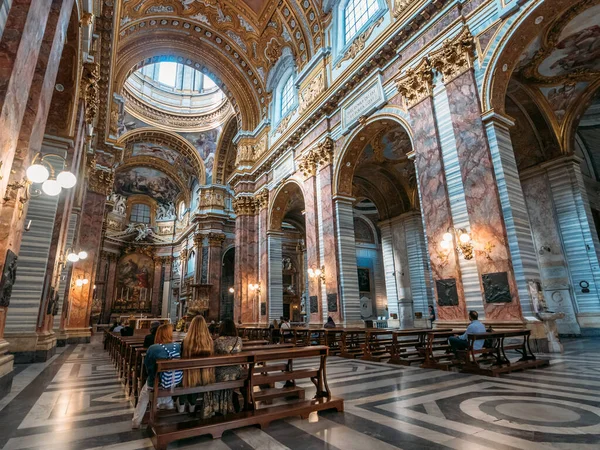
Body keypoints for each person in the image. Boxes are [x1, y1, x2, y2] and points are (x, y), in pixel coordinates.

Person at [131, 324, 181, 428]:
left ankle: (136, 421)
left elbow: (148, 367)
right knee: (166, 389)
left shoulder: (153, 348)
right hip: (174, 381)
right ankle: (167, 407)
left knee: (143, 396)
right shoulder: (178, 346)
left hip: (154, 382)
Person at [177, 316, 215, 414]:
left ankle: (182, 403)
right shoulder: (210, 341)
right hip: (205, 373)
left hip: (189, 373)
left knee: (188, 376)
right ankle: (192, 405)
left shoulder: (186, 341)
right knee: (196, 376)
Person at [208, 319, 243, 416]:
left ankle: (218, 405)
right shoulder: (239, 339)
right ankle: (232, 402)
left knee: (213, 375)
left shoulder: (218, 341)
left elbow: (213, 356)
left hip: (221, 372)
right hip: (236, 371)